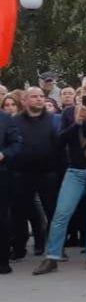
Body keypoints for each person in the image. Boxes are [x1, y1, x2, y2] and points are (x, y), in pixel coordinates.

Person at [34, 75, 86, 275]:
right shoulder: (70, 111)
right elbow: (60, 141)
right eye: (85, 88)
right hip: (75, 170)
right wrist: (78, 122)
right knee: (61, 214)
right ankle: (52, 257)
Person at [9, 87, 60, 261]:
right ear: (24, 101)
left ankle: (54, 248)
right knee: (19, 213)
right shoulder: (14, 122)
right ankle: (19, 247)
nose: (39, 99)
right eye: (34, 96)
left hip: (48, 173)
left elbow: (60, 145)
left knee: (53, 212)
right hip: (22, 174)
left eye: (41, 96)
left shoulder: (53, 120)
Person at [0, 102, 23, 274]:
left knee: (2, 218)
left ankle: (2, 260)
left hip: (1, 174)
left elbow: (16, 144)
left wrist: (3, 154)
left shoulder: (5, 119)